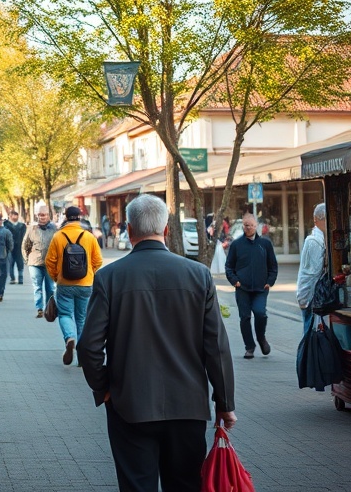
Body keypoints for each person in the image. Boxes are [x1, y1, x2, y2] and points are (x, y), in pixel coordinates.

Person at [78, 194, 237, 492]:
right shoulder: (198, 275)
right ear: (166, 230)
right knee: (186, 485)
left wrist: (104, 388)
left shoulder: (109, 277)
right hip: (188, 406)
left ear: (128, 229)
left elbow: (89, 346)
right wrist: (225, 403)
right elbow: (216, 346)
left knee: (137, 485)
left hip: (130, 404)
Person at [45, 205, 103, 365]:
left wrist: (57, 277)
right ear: (79, 217)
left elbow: (49, 261)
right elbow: (98, 260)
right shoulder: (89, 236)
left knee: (65, 315)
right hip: (85, 284)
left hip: (64, 284)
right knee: (82, 318)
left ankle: (70, 337)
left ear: (65, 217)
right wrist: (89, 274)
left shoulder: (58, 236)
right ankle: (82, 358)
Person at [225, 212, 278, 359]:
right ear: (243, 226)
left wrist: (270, 281)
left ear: (257, 226)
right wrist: (235, 280)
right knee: (245, 317)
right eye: (246, 225)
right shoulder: (236, 245)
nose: (249, 228)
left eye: (252, 225)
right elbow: (229, 266)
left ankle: (261, 338)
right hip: (242, 288)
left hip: (261, 288)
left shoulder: (265, 244)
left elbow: (273, 265)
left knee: (260, 313)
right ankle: (249, 347)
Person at [21, 204, 58, 317]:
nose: (42, 217)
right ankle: (39, 309)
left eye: (45, 215)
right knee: (37, 287)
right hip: (35, 263)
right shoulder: (32, 229)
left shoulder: (54, 229)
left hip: (50, 263)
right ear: (37, 216)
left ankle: (49, 308)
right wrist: (27, 260)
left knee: (50, 288)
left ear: (48, 215)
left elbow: (58, 245)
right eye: (41, 215)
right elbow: (25, 245)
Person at [296, 203, 327, 336]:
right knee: (309, 334)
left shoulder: (321, 239)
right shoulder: (314, 241)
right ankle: (304, 357)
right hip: (310, 296)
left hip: (313, 296)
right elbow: (312, 273)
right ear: (317, 220)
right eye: (326, 219)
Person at [5, 210, 27, 284]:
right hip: (9, 247)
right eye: (13, 215)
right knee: (11, 263)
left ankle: (20, 278)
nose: (15, 217)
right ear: (10, 216)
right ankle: (12, 278)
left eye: (16, 215)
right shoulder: (6, 225)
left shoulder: (22, 226)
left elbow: (24, 236)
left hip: (19, 247)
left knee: (20, 262)